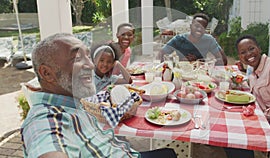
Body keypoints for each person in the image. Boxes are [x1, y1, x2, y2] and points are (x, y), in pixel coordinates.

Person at [21, 33, 176, 158]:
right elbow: (48, 143)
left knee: (170, 153)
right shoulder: (44, 119)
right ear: (47, 73)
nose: (90, 65)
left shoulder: (74, 101)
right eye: (76, 58)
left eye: (88, 56)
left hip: (125, 152)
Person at [225, 34, 270, 157]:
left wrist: (261, 119)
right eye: (243, 52)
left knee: (239, 135)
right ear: (240, 57)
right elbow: (252, 93)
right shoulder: (253, 74)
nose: (248, 54)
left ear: (259, 48)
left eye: (251, 49)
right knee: (234, 127)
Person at [159, 13, 227, 66]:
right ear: (191, 26)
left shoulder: (209, 40)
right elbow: (161, 54)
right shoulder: (179, 39)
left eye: (203, 27)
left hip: (201, 74)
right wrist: (172, 64)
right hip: (180, 73)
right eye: (196, 26)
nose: (199, 29)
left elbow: (223, 60)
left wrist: (207, 64)